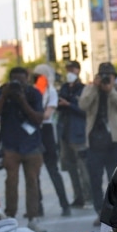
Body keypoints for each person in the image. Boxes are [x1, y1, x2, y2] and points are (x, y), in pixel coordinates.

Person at [0, 66, 49, 232]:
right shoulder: (2, 92)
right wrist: (4, 96)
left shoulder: (33, 93)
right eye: (14, 80)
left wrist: (22, 100)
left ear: (27, 79)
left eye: (21, 80)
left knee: (33, 182)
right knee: (11, 181)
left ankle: (33, 218)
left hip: (32, 145)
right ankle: (10, 216)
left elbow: (38, 119)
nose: (18, 84)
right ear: (9, 80)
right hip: (10, 144)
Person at [80, 62, 117, 213]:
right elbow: (83, 105)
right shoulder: (90, 89)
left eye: (108, 76)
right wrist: (95, 89)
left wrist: (111, 91)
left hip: (113, 141)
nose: (105, 79)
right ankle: (100, 212)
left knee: (115, 178)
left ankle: (116, 210)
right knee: (95, 180)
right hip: (94, 141)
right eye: (102, 76)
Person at [35, 64, 74, 217]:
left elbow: (46, 115)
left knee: (53, 170)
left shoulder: (50, 92)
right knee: (34, 173)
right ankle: (37, 207)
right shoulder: (34, 92)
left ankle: (64, 204)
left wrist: (32, 114)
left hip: (46, 130)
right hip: (35, 131)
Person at [56, 61, 92, 209]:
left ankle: (89, 197)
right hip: (65, 133)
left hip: (78, 133)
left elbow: (85, 111)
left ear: (78, 70)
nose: (70, 72)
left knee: (83, 167)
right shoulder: (64, 89)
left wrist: (69, 105)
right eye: (68, 69)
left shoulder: (84, 89)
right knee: (70, 167)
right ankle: (78, 197)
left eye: (72, 69)